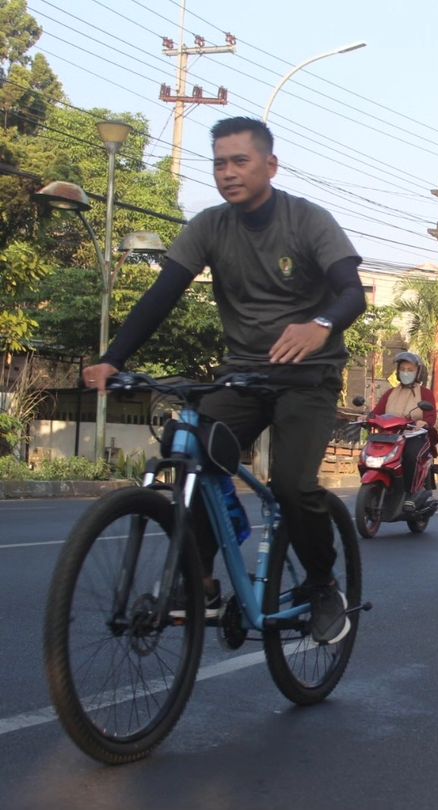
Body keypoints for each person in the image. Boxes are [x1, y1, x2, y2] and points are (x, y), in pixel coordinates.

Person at [81, 117, 366, 644]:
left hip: (309, 378)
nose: (228, 173)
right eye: (219, 163)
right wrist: (112, 358)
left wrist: (319, 325)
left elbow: (353, 292)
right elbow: (162, 295)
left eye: (240, 161)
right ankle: (204, 579)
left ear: (270, 165)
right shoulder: (209, 226)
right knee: (189, 450)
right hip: (243, 377)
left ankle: (323, 585)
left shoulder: (307, 221)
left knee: (292, 484)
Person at [370, 351, 438, 496]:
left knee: (410, 457)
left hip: (415, 436)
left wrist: (424, 422)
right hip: (390, 437)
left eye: (410, 370)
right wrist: (366, 418)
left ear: (418, 372)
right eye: (402, 369)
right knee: (371, 455)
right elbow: (377, 412)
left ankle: (409, 493)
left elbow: (431, 416)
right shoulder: (390, 393)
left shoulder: (425, 393)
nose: (405, 373)